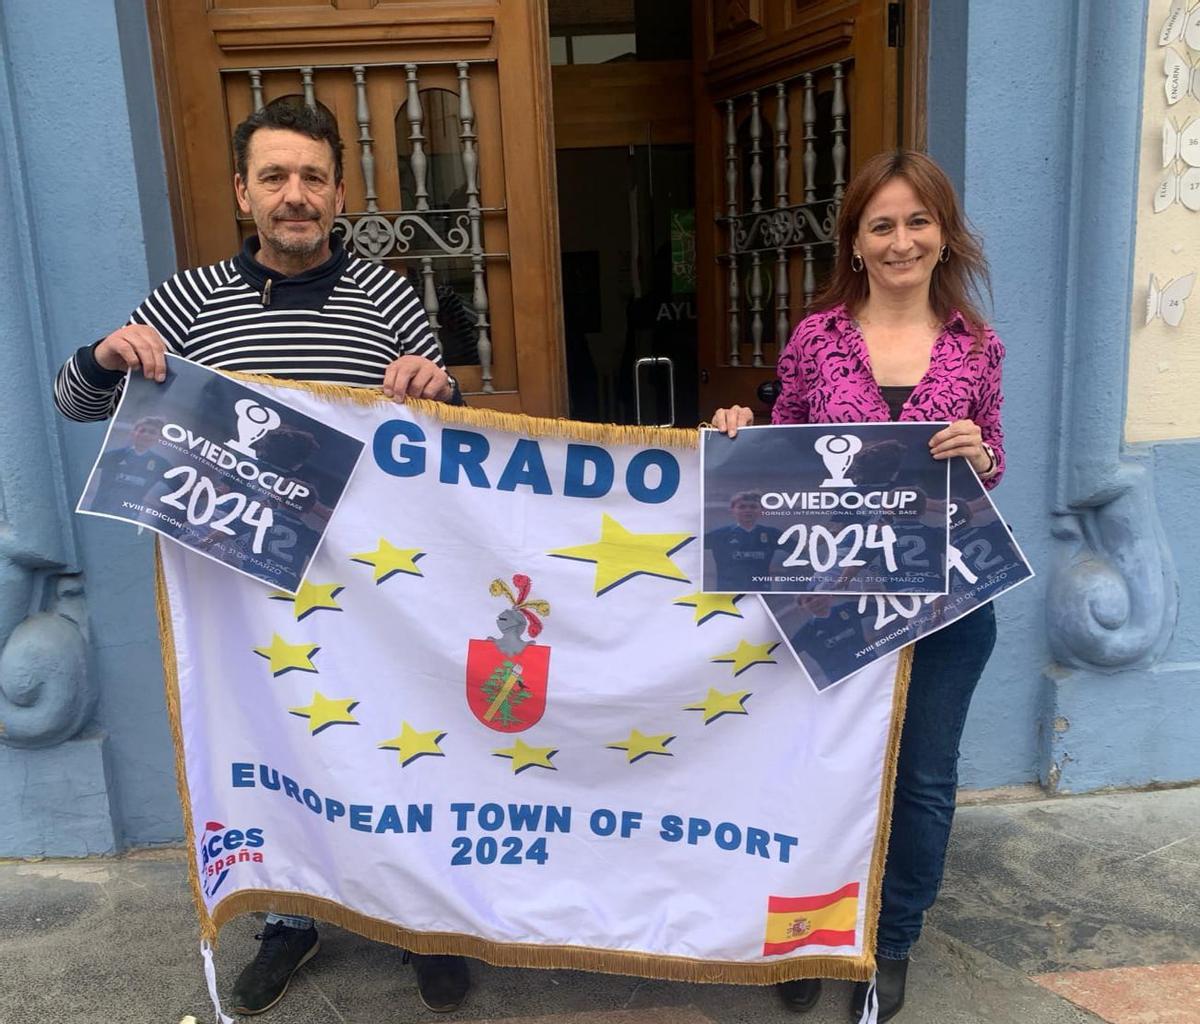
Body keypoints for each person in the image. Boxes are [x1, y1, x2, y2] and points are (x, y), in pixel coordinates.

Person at [52, 98, 471, 1017]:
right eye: (275, 177)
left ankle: (420, 923)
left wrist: (436, 390)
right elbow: (78, 402)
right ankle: (287, 920)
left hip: (376, 588)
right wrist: (104, 354)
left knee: (406, 751)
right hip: (240, 590)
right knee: (276, 752)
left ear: (338, 191)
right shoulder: (189, 299)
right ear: (243, 192)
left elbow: (441, 439)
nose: (295, 196)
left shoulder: (389, 296)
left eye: (313, 177)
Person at [713, 149, 1004, 1023]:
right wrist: (739, 430)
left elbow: (994, 459)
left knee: (920, 780)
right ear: (856, 242)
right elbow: (784, 446)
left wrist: (981, 457)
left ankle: (894, 939)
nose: (902, 239)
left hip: (947, 598)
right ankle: (809, 932)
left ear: (944, 235)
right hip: (829, 595)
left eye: (918, 221)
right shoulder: (818, 338)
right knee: (817, 767)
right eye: (882, 224)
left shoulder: (977, 346)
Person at [703, 491, 783, 590]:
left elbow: (801, 550)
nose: (748, 510)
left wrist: (780, 569)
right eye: (742, 507)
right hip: (728, 593)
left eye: (753, 507)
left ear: (762, 510)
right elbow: (690, 548)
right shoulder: (719, 535)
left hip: (760, 591)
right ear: (732, 510)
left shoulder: (772, 534)